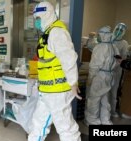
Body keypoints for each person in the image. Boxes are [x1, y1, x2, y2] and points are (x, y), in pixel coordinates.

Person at [28, 2, 81, 141]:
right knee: (38, 124)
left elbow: (68, 58)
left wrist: (73, 83)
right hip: (47, 90)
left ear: (47, 14)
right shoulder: (47, 33)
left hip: (58, 91)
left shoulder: (57, 32)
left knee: (66, 128)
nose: (37, 22)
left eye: (38, 18)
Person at [84, 26, 119, 126]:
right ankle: (105, 120)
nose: (98, 37)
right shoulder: (113, 46)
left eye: (98, 35)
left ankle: (92, 121)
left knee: (94, 99)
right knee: (105, 99)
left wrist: (90, 78)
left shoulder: (100, 47)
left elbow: (95, 65)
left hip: (99, 76)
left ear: (102, 35)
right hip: (109, 75)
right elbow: (118, 61)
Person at [110, 23, 129, 117]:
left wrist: (116, 63)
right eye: (117, 29)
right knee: (104, 91)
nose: (118, 31)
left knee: (114, 91)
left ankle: (112, 111)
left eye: (121, 30)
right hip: (106, 70)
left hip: (116, 70)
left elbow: (124, 58)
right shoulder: (109, 39)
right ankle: (104, 111)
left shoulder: (124, 43)